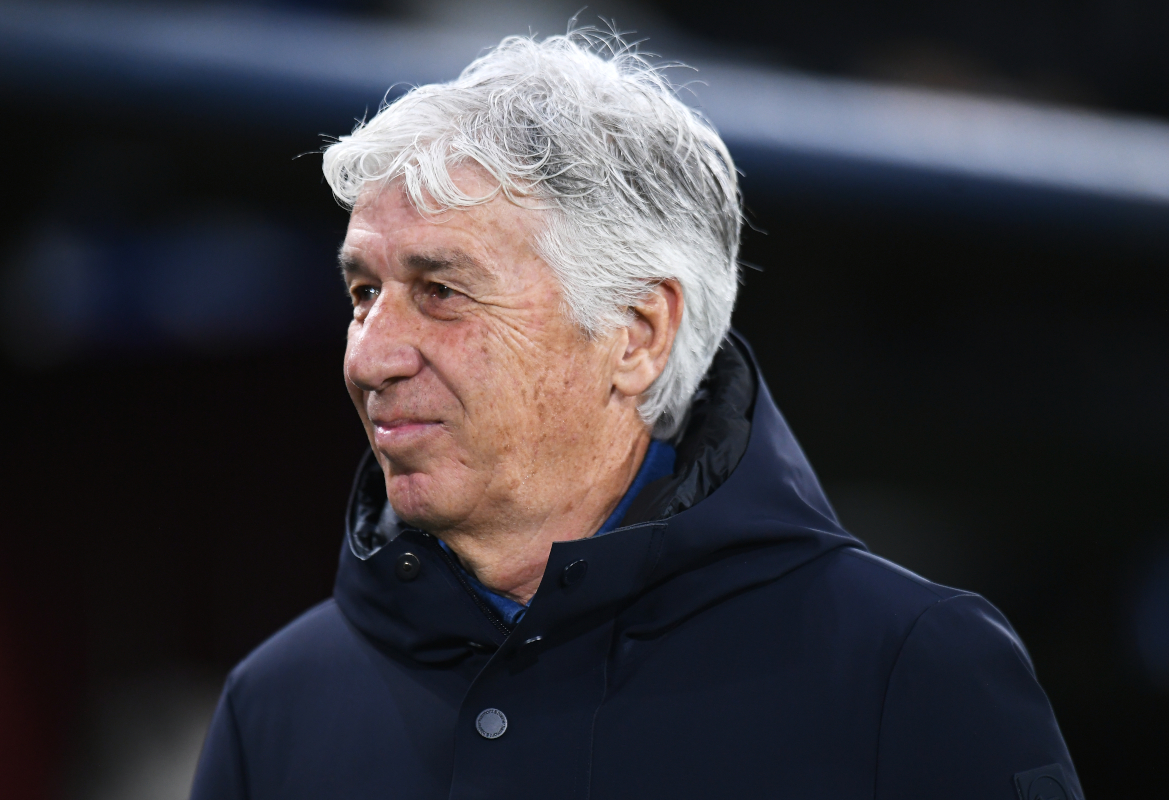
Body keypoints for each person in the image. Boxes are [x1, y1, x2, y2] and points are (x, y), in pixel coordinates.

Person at [190, 30, 1083, 800]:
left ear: (638, 334)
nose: (370, 356)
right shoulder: (272, 712)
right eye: (363, 292)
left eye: (442, 290)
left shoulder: (912, 673)